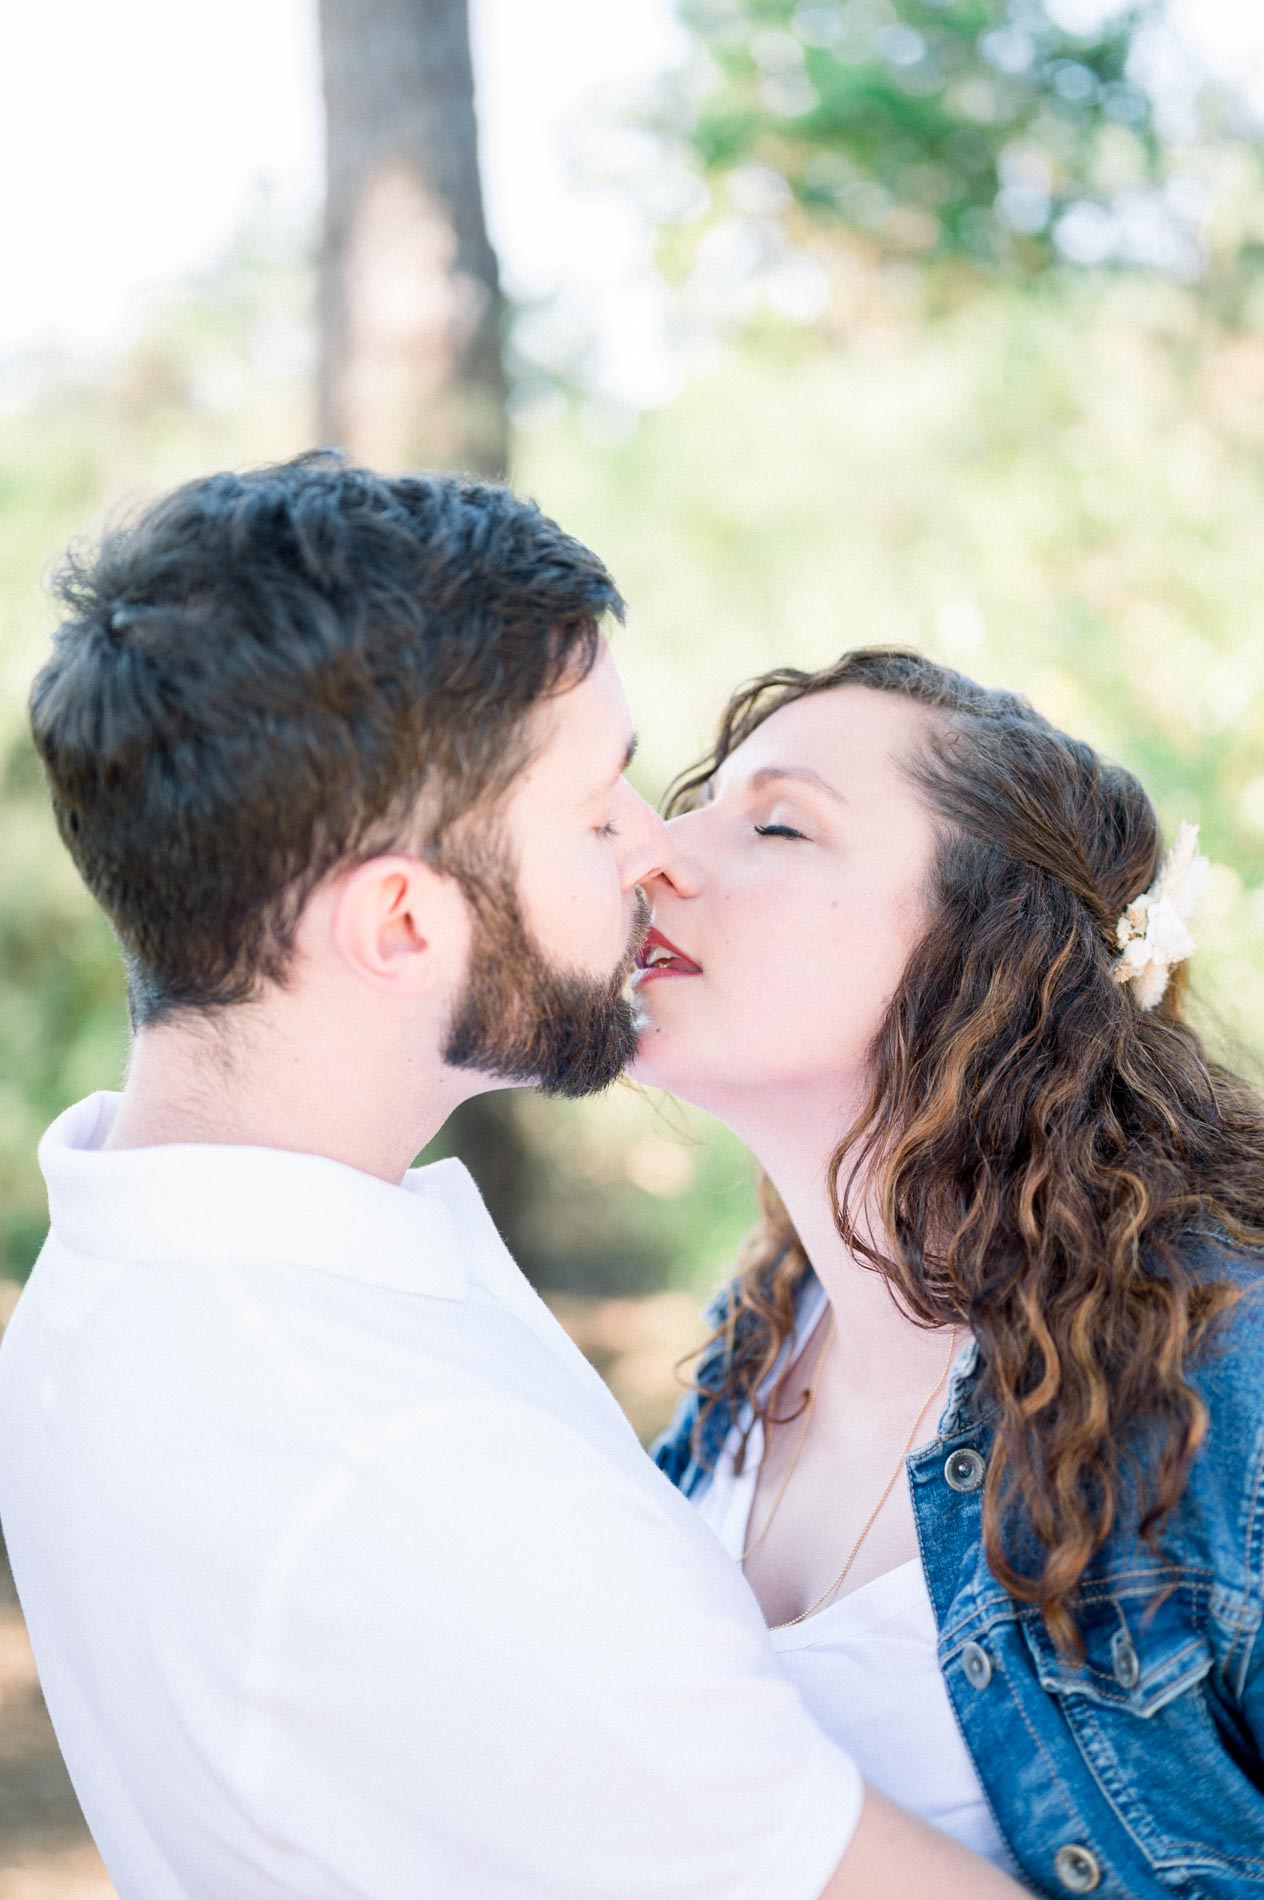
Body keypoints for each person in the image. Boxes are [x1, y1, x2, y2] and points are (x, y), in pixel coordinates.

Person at [0, 462, 1024, 1900]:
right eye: (598, 810)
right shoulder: (414, 1480)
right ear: (403, 921)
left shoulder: (119, 1269)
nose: (656, 852)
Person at [641, 647, 1264, 1900]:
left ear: (988, 948)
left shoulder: (1222, 1382)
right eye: (689, 803)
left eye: (775, 822)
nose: (655, 854)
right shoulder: (756, 1344)